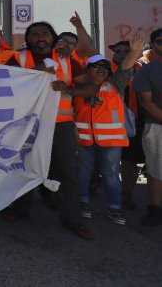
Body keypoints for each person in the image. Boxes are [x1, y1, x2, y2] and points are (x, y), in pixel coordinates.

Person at [6, 22, 92, 240]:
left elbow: (90, 87)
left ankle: (71, 218)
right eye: (34, 34)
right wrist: (36, 73)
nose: (40, 37)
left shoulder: (65, 59)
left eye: (45, 33)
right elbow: (3, 85)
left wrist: (69, 88)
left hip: (61, 124)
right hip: (27, 124)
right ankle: (19, 209)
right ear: (28, 38)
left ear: (52, 38)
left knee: (66, 172)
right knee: (23, 167)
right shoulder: (18, 59)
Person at [54, 55, 129, 225]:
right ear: (86, 70)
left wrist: (135, 51)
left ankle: (114, 207)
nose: (100, 69)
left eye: (105, 66)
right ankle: (83, 203)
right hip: (83, 140)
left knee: (111, 175)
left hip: (111, 142)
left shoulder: (115, 85)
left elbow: (127, 68)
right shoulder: (74, 88)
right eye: (95, 66)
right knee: (82, 174)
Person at [109, 36, 146, 210]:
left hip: (136, 120)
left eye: (127, 51)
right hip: (109, 121)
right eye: (118, 51)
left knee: (131, 159)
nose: (122, 54)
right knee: (108, 160)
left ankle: (127, 193)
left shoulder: (143, 70)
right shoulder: (104, 69)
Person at [134, 27, 162, 226]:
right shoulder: (146, 70)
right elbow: (145, 101)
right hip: (156, 126)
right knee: (156, 170)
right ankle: (155, 209)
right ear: (153, 45)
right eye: (160, 40)